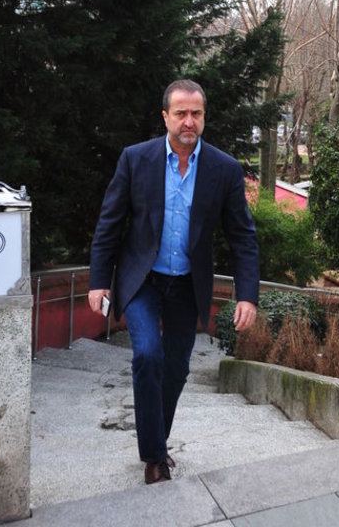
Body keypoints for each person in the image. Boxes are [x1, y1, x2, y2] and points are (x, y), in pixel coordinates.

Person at [88, 79, 259, 484]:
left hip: (187, 285)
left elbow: (242, 237)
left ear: (204, 117)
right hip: (142, 280)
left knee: (177, 368)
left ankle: (156, 442)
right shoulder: (136, 159)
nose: (188, 121)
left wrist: (247, 295)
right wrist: (99, 281)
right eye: (180, 113)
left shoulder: (224, 169)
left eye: (196, 114)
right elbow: (109, 223)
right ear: (165, 116)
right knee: (148, 355)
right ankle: (154, 458)